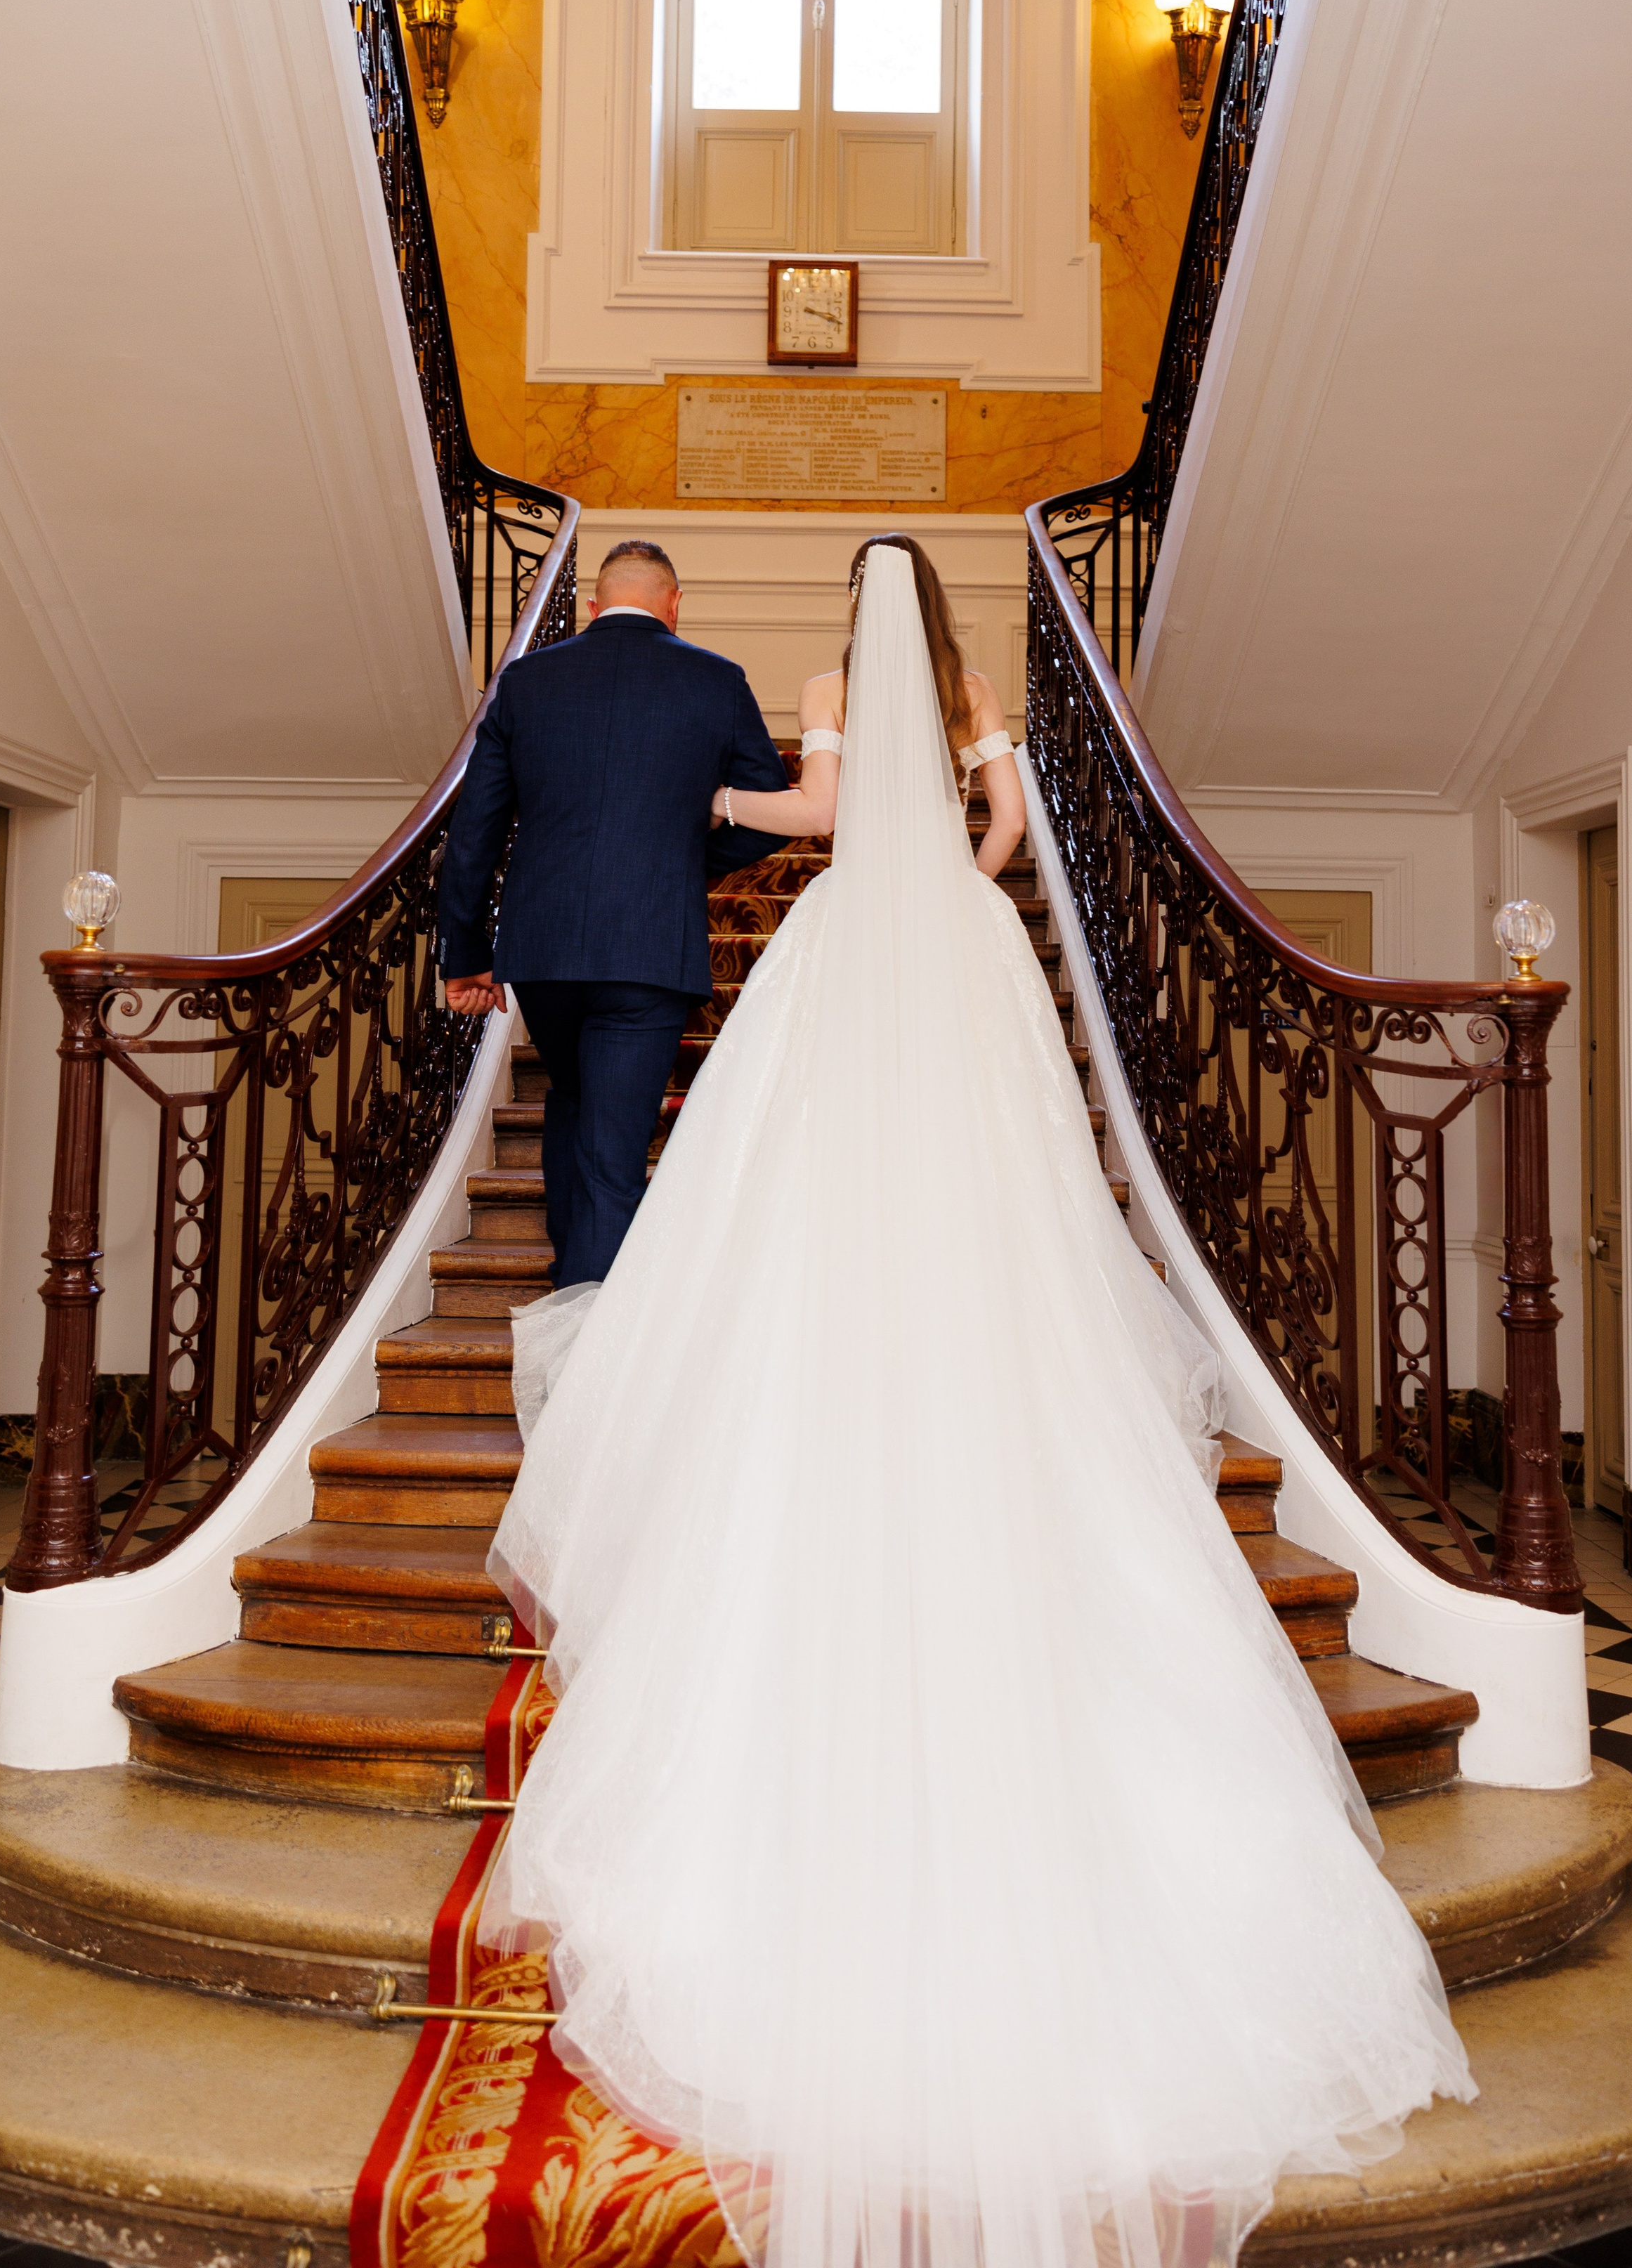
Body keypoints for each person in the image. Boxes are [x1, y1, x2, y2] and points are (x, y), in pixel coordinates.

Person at [483, 535, 1475, 2268]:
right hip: (952, 937)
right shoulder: (976, 693)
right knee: (1002, 1186)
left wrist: (728, 811)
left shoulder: (819, 690)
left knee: (784, 1178)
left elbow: (808, 815)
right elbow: (1005, 833)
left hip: (843, 943)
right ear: (935, 615)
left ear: (846, 626)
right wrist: (953, 873)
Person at [434, 537, 788, 1286]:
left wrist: (466, 954)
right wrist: (682, 863)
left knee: (572, 1098)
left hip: (544, 947)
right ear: (674, 604)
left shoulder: (525, 680)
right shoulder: (717, 680)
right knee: (614, 1151)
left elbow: (474, 833)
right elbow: (770, 811)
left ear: (593, 607)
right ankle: (588, 1332)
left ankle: (573, 1291)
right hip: (650, 944)